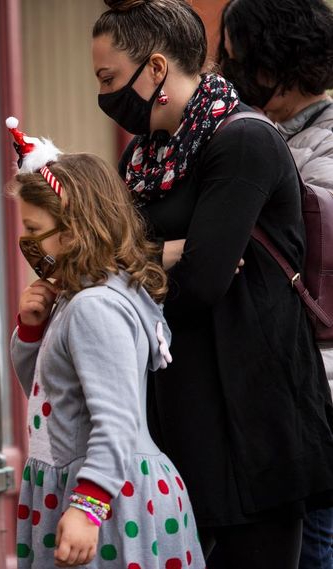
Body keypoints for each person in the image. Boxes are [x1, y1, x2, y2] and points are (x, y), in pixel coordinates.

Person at [91, 0, 333, 566]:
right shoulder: (145, 156)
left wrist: (134, 267)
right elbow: (104, 262)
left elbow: (200, 281)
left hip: (250, 415)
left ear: (154, 69)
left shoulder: (242, 140)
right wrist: (158, 256)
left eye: (109, 78)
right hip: (175, 411)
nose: (104, 95)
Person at [6, 117, 204, 568]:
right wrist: (33, 331)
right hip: (92, 493)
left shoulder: (94, 308)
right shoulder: (75, 300)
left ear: (74, 230)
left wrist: (88, 507)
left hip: (110, 503)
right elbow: (50, 399)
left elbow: (114, 421)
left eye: (34, 228)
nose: (27, 242)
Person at [217, 1, 333, 566]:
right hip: (286, 384)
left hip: (314, 387)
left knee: (313, 545)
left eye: (237, 58)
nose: (227, 71)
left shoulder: (307, 145)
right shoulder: (271, 133)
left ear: (277, 61)